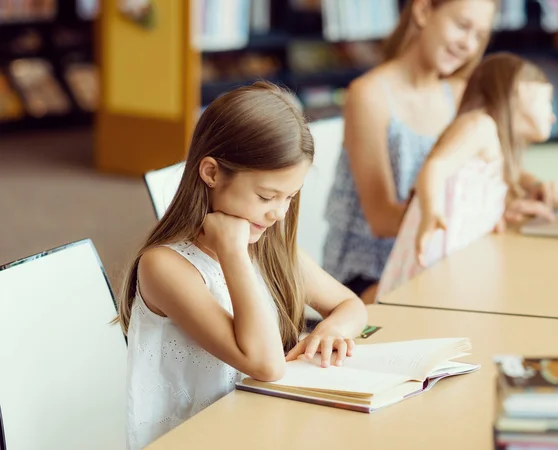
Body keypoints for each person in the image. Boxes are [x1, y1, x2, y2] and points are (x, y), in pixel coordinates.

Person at [115, 82, 368, 450]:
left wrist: (329, 331)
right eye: (267, 196)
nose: (279, 213)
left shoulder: (270, 247)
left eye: (290, 197)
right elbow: (265, 365)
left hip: (258, 428)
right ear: (212, 173)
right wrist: (233, 253)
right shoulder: (164, 267)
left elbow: (351, 305)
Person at [322, 0, 499, 303]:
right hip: (365, 274)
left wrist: (533, 189)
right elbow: (380, 219)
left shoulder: (457, 94)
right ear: (423, 11)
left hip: (431, 261)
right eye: (462, 25)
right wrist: (470, 214)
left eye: (479, 35)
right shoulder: (369, 95)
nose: (468, 44)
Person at [376, 52, 558, 299]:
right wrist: (431, 211)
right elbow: (435, 167)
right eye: (548, 101)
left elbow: (471, 195)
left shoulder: (495, 143)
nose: (552, 114)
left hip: (456, 266)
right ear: (520, 92)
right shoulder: (480, 126)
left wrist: (502, 209)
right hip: (436, 265)